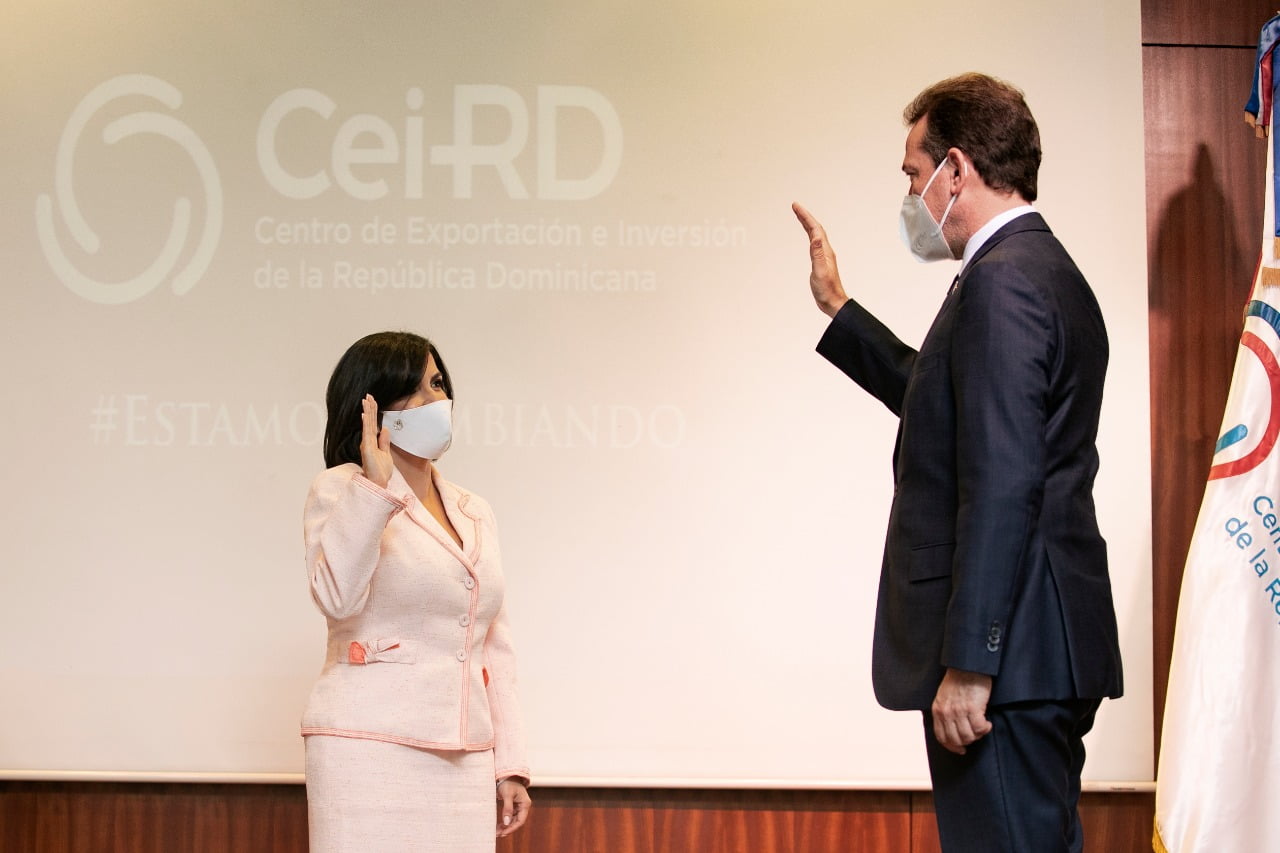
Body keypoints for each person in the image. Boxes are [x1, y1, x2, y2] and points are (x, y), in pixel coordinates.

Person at [793, 73, 1123, 852]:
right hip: (1041, 648)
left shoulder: (1002, 280)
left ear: (957, 169)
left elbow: (1004, 479)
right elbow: (949, 402)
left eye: (914, 174)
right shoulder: (1041, 268)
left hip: (1008, 665)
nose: (911, 195)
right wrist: (840, 310)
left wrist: (974, 661)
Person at [301, 331, 531, 852]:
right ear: (373, 404)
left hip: (465, 755)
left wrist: (510, 764)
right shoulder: (340, 489)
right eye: (415, 389)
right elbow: (336, 598)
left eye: (438, 383)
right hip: (364, 746)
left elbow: (494, 643)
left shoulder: (474, 509)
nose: (435, 400)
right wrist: (375, 489)